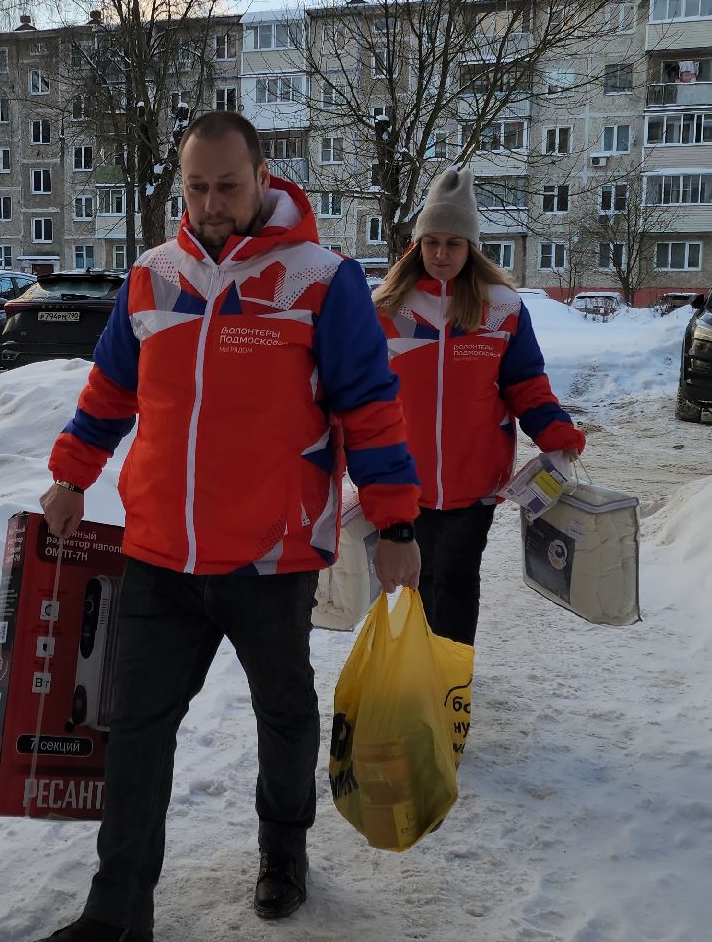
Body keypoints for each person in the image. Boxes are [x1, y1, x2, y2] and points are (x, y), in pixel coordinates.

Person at [33, 111, 422, 942]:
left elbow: (371, 408)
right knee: (135, 730)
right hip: (159, 556)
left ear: (263, 177)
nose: (212, 204)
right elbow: (110, 389)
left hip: (271, 556)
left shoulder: (322, 278)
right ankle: (116, 910)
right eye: (197, 187)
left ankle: (284, 854)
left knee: (284, 717)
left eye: (228, 186)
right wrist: (73, 474)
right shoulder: (152, 276)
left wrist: (396, 523)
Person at [370, 167, 586, 647]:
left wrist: (556, 433)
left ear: (471, 247)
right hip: (407, 479)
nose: (441, 254)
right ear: (417, 244)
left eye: (453, 243)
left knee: (457, 579)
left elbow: (525, 383)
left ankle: (452, 679)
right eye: (432, 243)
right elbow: (361, 392)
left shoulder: (501, 307)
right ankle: (415, 673)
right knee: (414, 582)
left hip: (477, 480)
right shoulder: (387, 309)